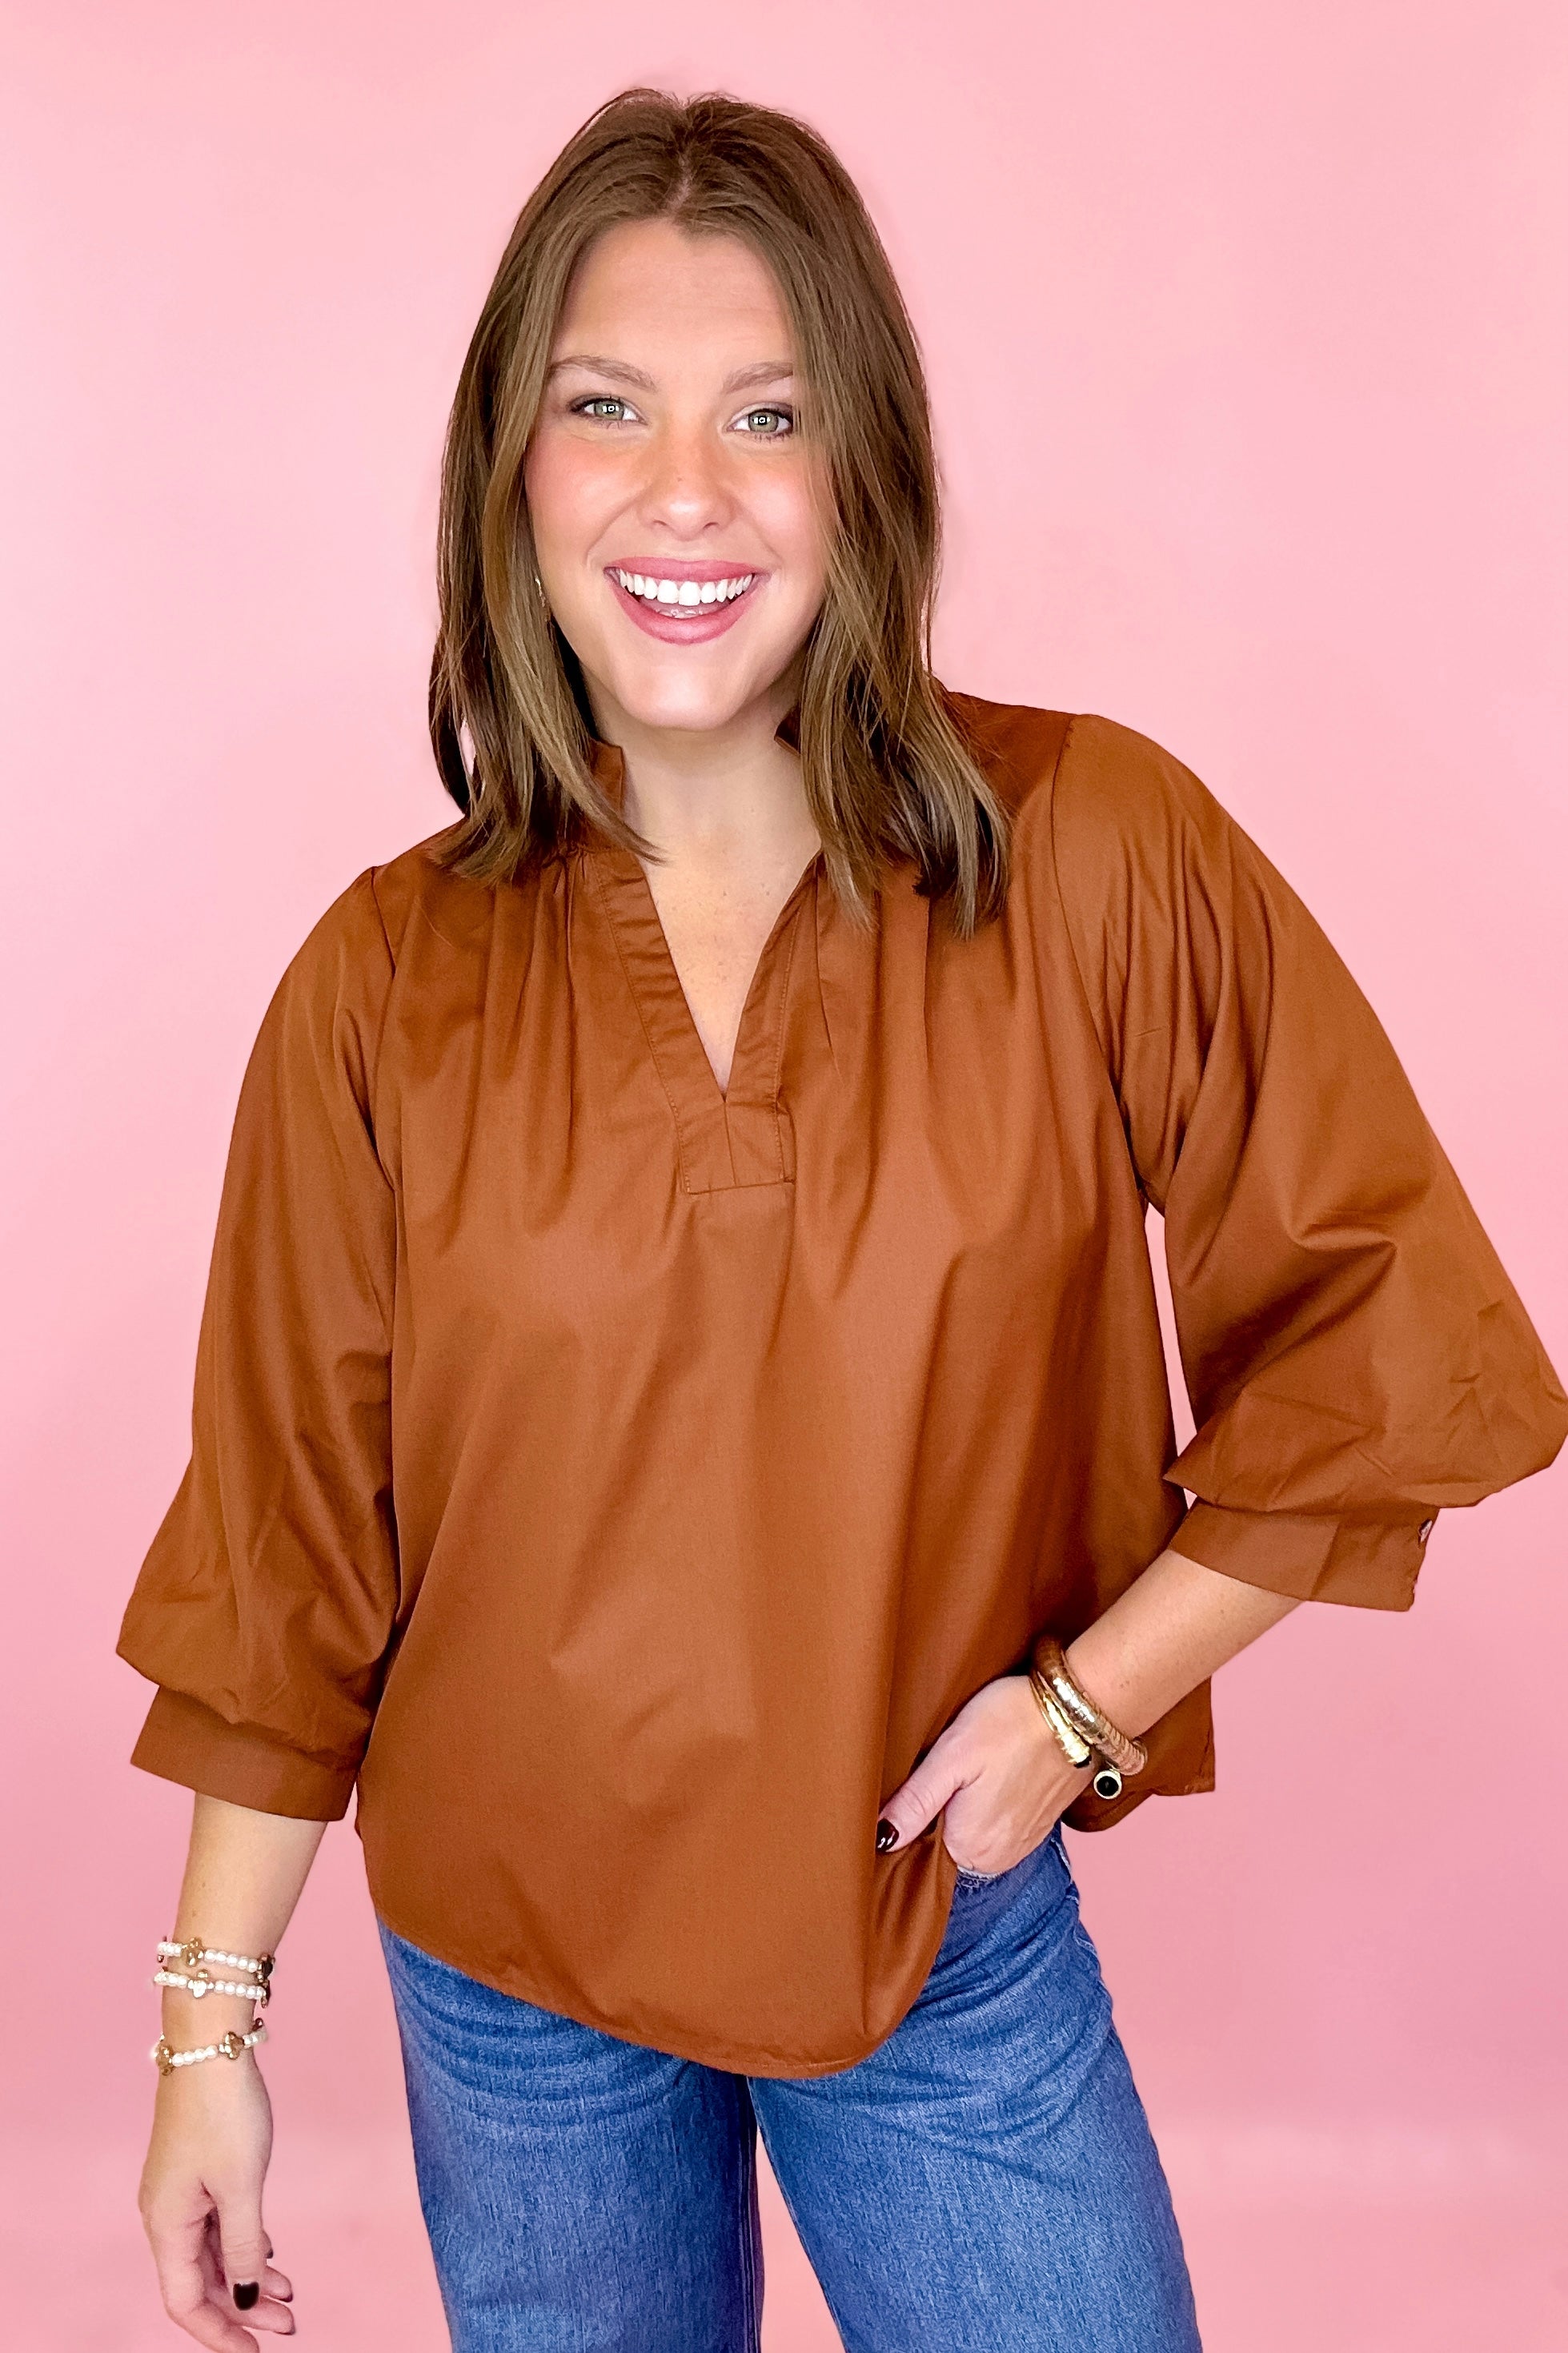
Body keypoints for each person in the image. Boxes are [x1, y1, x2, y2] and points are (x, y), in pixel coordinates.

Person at [119, 88, 1566, 2353]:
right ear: (512, 467)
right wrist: (206, 2033)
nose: (686, 490)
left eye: (769, 414)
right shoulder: (381, 981)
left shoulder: (1092, 852)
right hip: (509, 1976)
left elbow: (1392, 1340)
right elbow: (290, 1548)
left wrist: (1084, 1710)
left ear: (865, 468)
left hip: (931, 1925)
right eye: (608, 407)